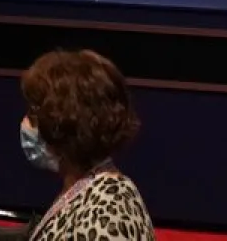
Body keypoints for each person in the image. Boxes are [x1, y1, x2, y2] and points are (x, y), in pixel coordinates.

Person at [19, 49, 154, 241]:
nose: (25, 123)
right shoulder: (85, 189)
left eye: (33, 113)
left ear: (62, 125)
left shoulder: (108, 209)